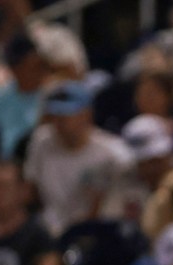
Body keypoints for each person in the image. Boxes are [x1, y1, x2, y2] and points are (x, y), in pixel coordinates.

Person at [23, 81, 137, 237]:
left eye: (66, 115)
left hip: (93, 233)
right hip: (48, 230)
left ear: (86, 115)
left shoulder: (112, 152)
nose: (58, 122)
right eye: (55, 115)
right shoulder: (41, 141)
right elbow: (31, 189)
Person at [0, 32, 50, 159]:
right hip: (2, 165)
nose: (35, 70)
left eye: (36, 65)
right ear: (13, 69)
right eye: (22, 65)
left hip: (37, 162)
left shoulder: (50, 95)